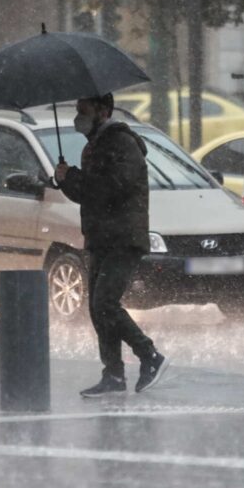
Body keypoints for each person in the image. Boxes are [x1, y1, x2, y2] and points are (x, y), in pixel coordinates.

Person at [54, 93, 168, 397]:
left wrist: (75, 178)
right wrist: (66, 179)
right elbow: (89, 194)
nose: (78, 116)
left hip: (123, 238)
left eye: (83, 110)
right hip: (101, 239)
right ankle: (113, 374)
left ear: (102, 111)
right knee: (97, 308)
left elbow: (111, 189)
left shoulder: (120, 143)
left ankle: (150, 355)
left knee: (105, 303)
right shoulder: (95, 145)